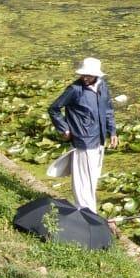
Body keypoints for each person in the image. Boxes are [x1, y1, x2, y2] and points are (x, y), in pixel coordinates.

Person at [48, 57, 119, 213]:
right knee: (82, 181)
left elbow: (108, 110)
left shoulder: (102, 87)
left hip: (99, 140)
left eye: (88, 75)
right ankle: (87, 213)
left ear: (96, 75)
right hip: (83, 140)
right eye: (83, 74)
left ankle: (88, 212)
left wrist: (112, 131)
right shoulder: (75, 90)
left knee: (92, 179)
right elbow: (54, 108)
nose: (84, 77)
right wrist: (64, 129)